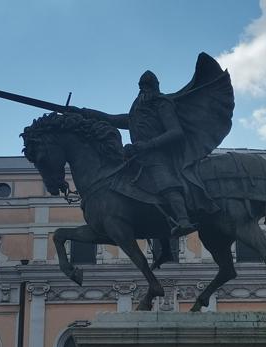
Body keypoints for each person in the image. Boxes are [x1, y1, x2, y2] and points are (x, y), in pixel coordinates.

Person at [71, 70, 196, 236]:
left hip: (160, 156)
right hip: (136, 157)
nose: (144, 90)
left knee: (166, 184)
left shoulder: (162, 104)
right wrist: (84, 113)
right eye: (141, 87)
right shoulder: (138, 109)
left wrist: (148, 145)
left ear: (155, 87)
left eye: (147, 86)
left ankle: (183, 220)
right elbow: (115, 119)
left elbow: (176, 132)